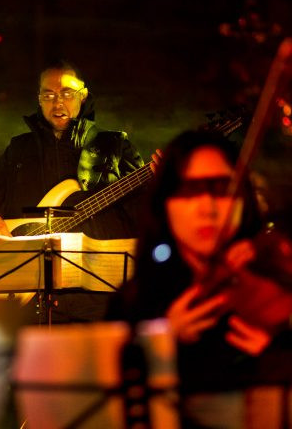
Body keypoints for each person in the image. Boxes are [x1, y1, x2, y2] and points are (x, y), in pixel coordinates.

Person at [108, 130, 292, 428]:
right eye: (189, 190)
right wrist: (162, 342)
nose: (208, 208)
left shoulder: (274, 284)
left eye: (222, 189)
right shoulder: (134, 302)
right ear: (165, 203)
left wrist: (279, 358)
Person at [0, 59, 160, 323]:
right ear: (39, 99)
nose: (58, 103)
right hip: (30, 300)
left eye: (67, 93)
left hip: (98, 300)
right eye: (48, 95)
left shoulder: (113, 145)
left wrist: (159, 184)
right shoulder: (19, 150)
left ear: (83, 95)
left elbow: (144, 217)